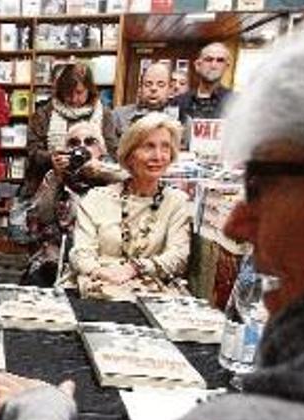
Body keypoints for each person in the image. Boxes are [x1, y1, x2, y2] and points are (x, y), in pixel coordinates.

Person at [0, 14, 304, 420]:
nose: (237, 223)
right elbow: (65, 238)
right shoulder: (93, 195)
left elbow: (176, 256)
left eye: (259, 186)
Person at [69, 112, 190, 299]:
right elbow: (81, 254)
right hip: (96, 290)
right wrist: (103, 273)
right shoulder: (96, 199)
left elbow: (178, 257)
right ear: (130, 155)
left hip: (151, 293)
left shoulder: (177, 201)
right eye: (149, 147)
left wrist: (135, 268)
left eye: (165, 147)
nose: (158, 156)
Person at [21, 122, 125, 287]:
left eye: (90, 142)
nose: (82, 148)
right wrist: (57, 177)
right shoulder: (55, 176)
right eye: (74, 143)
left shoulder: (114, 177)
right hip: (57, 260)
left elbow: (134, 178)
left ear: (102, 150)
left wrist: (103, 171)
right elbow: (40, 217)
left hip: (101, 261)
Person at [26, 61, 116, 196]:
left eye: (79, 92)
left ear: (89, 89)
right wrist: (52, 159)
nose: (74, 99)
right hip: (51, 185)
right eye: (68, 93)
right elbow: (32, 150)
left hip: (95, 186)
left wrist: (97, 162)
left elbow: (113, 150)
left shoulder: (104, 114)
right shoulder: (44, 113)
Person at [111, 62, 174, 144]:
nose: (153, 88)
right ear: (140, 88)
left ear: (170, 89)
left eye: (160, 85)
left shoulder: (181, 120)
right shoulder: (119, 116)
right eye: (148, 84)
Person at [173, 42, 234, 122]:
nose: (213, 65)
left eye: (220, 60)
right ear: (197, 65)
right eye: (208, 60)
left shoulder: (236, 102)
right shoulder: (180, 102)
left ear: (227, 66)